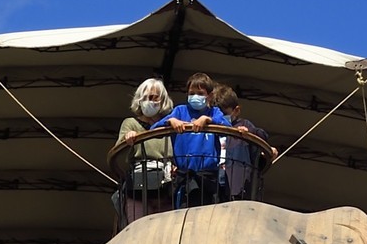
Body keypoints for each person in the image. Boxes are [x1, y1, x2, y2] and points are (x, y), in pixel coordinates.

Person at [151, 73, 235, 208]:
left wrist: (209, 120)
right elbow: (154, 129)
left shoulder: (214, 112)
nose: (195, 96)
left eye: (200, 93)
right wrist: (170, 121)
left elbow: (228, 129)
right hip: (185, 178)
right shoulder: (179, 111)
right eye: (192, 93)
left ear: (210, 96)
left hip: (208, 178)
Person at [110, 79, 174, 223]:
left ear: (162, 100)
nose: (148, 101)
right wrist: (128, 138)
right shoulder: (131, 123)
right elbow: (118, 151)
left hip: (166, 187)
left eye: (153, 97)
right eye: (144, 98)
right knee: (137, 229)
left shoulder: (169, 125)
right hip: (139, 188)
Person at [213, 85, 276, 201]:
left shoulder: (244, 125)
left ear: (236, 111)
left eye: (224, 113)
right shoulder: (211, 128)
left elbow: (261, 135)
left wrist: (249, 133)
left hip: (236, 185)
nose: (220, 118)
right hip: (213, 183)